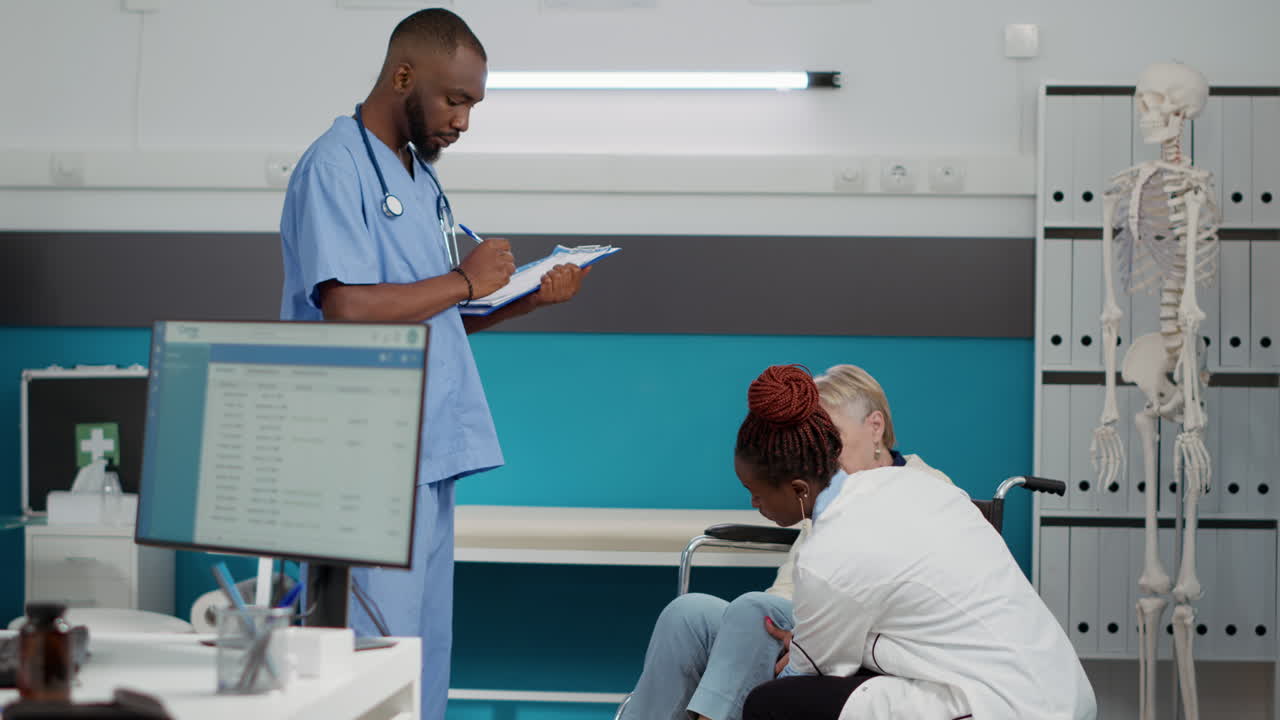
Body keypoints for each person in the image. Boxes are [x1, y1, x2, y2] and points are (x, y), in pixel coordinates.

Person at [278, 9, 589, 719]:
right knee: (365, 669)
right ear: (404, 76)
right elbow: (347, 308)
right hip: (360, 463)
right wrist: (465, 280)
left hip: (423, 458)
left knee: (417, 665)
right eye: (456, 100)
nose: (464, 121)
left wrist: (526, 299)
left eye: (473, 104)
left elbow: (435, 310)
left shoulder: (416, 176)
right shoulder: (334, 165)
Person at [737, 365, 1097, 719]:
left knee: (769, 704)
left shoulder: (829, 552)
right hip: (1063, 690)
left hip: (1008, 706)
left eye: (755, 494)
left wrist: (790, 657)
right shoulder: (921, 487)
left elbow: (806, 670)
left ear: (799, 489)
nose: (754, 504)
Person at [620, 364, 952, 720]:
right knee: (688, 614)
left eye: (831, 435)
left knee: (754, 611)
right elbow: (786, 590)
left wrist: (806, 633)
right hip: (794, 622)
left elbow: (911, 601)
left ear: (875, 427)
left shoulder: (926, 489)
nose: (823, 449)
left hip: (855, 635)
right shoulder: (827, 490)